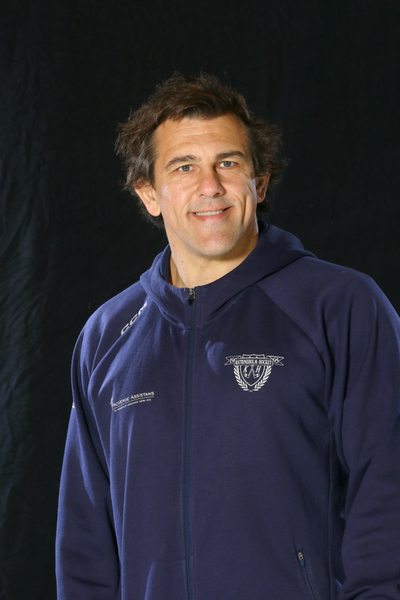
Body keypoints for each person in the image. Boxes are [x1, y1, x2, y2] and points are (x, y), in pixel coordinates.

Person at [56, 73, 400, 600]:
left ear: (259, 183)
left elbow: (387, 488)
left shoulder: (340, 305)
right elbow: (86, 538)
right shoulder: (106, 336)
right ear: (149, 193)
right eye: (184, 167)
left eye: (229, 163)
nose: (210, 186)